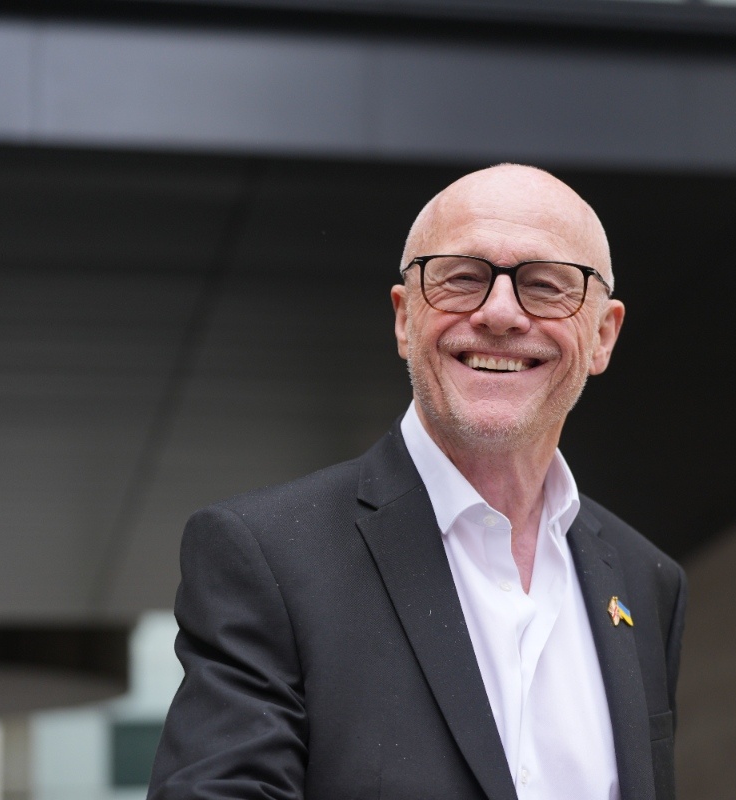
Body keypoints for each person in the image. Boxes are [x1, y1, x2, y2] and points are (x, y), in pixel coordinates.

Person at [148, 164, 687, 800]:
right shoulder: (266, 557)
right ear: (405, 320)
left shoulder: (646, 581)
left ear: (602, 336)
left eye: (546, 286)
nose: (500, 314)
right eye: (462, 278)